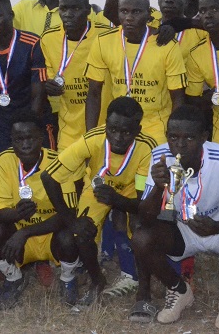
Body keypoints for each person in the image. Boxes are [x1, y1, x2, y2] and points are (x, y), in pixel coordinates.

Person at [133, 105, 219, 329]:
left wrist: (218, 226)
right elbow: (146, 217)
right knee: (141, 237)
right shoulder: (160, 156)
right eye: (173, 137)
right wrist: (159, 187)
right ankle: (179, 289)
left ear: (204, 137)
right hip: (183, 228)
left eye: (189, 137)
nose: (179, 144)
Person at [42, 97, 157, 303]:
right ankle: (97, 279)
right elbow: (48, 177)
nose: (118, 137)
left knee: (140, 225)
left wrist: (118, 201)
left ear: (138, 130)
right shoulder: (93, 138)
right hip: (96, 189)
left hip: (130, 191)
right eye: (112, 129)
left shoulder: (147, 148)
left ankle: (137, 277)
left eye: (126, 132)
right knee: (81, 230)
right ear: (105, 123)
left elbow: (143, 203)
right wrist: (71, 220)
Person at [0, 111, 81, 308]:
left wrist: (25, 232)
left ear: (41, 138)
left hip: (51, 236)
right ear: (11, 140)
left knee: (70, 235)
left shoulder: (59, 162)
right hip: (19, 239)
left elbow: (68, 216)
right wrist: (17, 214)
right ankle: (14, 278)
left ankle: (68, 278)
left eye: (30, 138)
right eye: (19, 139)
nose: (25, 144)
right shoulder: (4, 160)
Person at [85, 0, 187, 144]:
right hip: (117, 127)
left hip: (155, 127)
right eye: (124, 11)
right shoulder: (103, 41)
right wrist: (89, 137)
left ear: (149, 15)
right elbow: (93, 93)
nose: (129, 18)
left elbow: (178, 97)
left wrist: (172, 135)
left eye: (136, 12)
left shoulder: (167, 45)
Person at [0, 0, 51, 159]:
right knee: (4, 170)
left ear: (11, 15)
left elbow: (39, 96)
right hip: (2, 123)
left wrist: (29, 134)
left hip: (33, 118)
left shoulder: (32, 44)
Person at [40, 0, 111, 150]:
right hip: (68, 130)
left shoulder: (106, 35)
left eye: (76, 8)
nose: (68, 14)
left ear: (88, 11)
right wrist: (48, 85)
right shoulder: (48, 39)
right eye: (63, 8)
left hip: (104, 127)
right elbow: (49, 78)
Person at [184, 0, 219, 149]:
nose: (208, 15)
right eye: (203, 10)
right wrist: (208, 98)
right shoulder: (196, 53)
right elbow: (193, 100)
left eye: (214, 9)